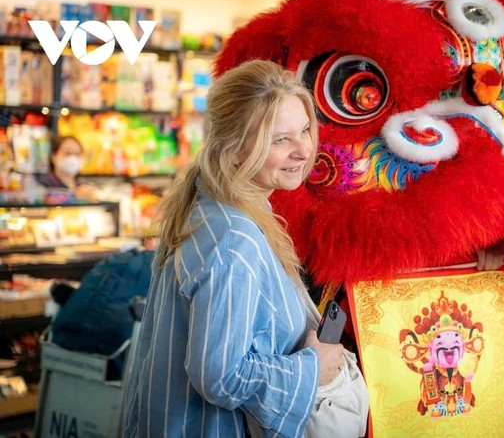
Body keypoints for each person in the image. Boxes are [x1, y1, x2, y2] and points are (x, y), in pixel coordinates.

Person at [122, 60, 346, 437]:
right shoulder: (232, 238)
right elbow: (220, 375)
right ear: (235, 149)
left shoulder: (221, 208)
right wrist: (312, 369)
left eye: (305, 130)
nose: (303, 150)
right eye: (280, 139)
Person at [37, 135, 97, 201]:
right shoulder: (43, 185)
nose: (73, 158)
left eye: (77, 154)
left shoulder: (84, 186)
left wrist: (92, 199)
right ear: (53, 157)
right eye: (68, 153)